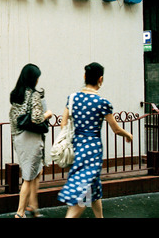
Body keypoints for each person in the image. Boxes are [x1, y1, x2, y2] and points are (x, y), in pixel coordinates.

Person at [57, 62, 133, 218]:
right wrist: (128, 135)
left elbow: (63, 123)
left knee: (94, 189)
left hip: (77, 147)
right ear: (101, 79)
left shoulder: (72, 98)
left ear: (84, 77)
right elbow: (116, 129)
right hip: (93, 150)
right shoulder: (102, 103)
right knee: (83, 197)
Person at [9, 64, 53, 218]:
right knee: (28, 176)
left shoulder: (16, 94)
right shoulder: (33, 94)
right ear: (33, 79)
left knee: (36, 171)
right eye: (37, 77)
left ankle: (33, 206)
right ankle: (20, 213)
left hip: (19, 137)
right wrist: (48, 114)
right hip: (31, 138)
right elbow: (36, 118)